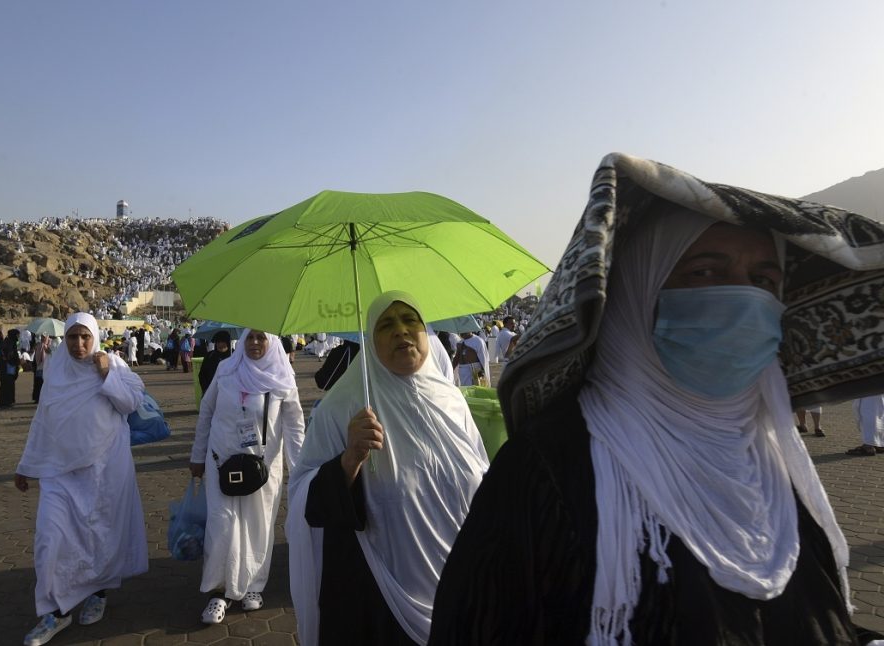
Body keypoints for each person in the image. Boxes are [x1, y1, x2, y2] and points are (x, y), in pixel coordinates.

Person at [429, 154, 884, 645]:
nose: (743, 299)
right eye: (706, 272)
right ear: (637, 289)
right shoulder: (550, 468)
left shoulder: (773, 457)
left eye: (763, 281)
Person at [287, 291, 490, 645]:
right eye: (386, 324)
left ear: (426, 331)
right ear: (370, 338)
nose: (401, 331)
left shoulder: (452, 399)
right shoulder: (344, 406)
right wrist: (349, 460)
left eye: (410, 320)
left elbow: (483, 480)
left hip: (464, 592)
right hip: (384, 600)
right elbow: (305, 497)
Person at [14, 313, 148, 646]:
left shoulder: (113, 364)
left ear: (96, 338)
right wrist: (26, 464)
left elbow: (131, 402)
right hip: (60, 472)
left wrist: (106, 375)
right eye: (73, 337)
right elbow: (43, 421)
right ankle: (54, 613)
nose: (79, 345)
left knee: (100, 534)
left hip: (105, 469)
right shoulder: (56, 369)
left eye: (85, 337)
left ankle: (98, 593)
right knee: (50, 539)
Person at [188, 329, 305, 625]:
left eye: (261, 338)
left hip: (263, 470)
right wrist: (197, 456)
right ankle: (218, 592)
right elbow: (206, 411)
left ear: (272, 342)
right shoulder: (227, 370)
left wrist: (301, 468)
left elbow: (294, 426)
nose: (254, 343)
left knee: (259, 526)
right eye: (250, 337)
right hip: (221, 463)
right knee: (221, 524)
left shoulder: (282, 376)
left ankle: (253, 585)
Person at [0, 329, 21, 408]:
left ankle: (6, 402)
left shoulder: (8, 342)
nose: (18, 337)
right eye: (17, 335)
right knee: (8, 384)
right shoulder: (10, 343)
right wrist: (17, 361)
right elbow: (9, 356)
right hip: (8, 368)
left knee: (6, 385)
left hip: (5, 368)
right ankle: (7, 402)